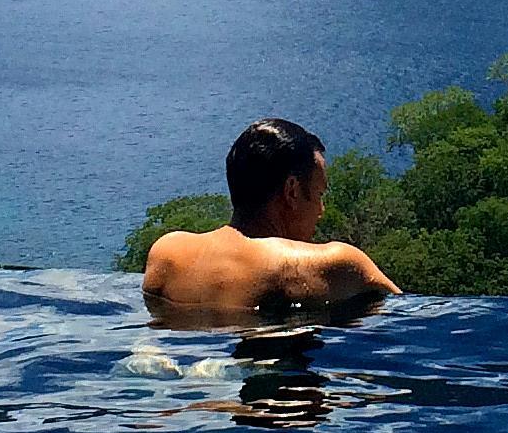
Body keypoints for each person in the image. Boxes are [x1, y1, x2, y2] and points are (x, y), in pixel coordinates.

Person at [141, 118, 397, 315]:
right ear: (292, 191)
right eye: (319, 194)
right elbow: (406, 315)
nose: (321, 210)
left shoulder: (167, 254)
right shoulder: (332, 263)